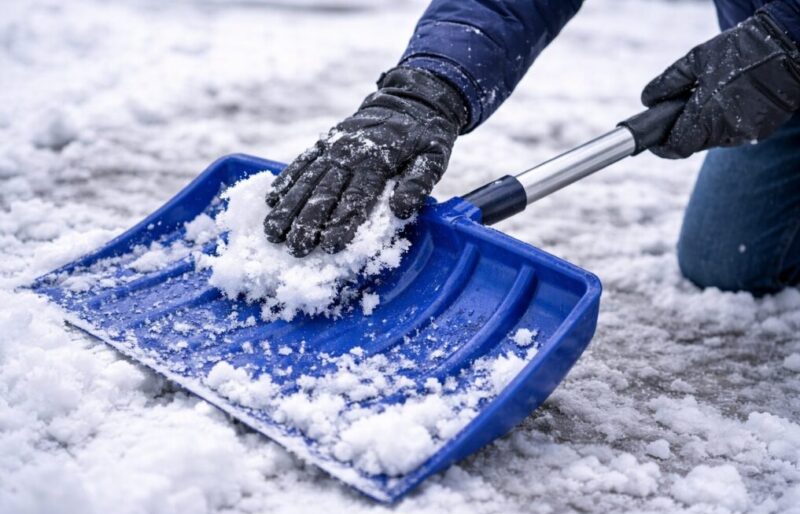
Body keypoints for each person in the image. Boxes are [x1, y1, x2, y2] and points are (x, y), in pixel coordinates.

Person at [263, 0, 800, 295]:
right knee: (725, 264)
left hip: (783, 53)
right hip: (778, 76)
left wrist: (787, 39)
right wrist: (426, 90)